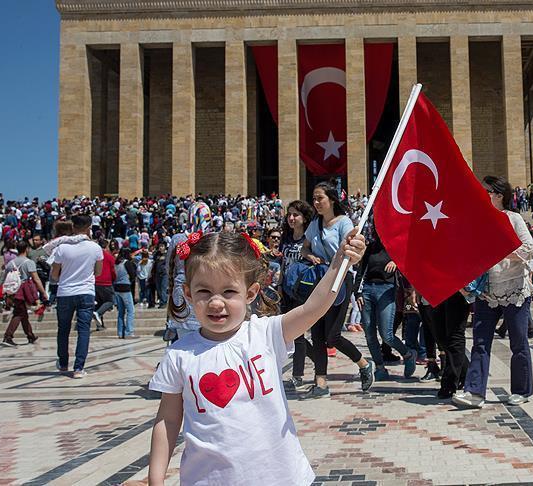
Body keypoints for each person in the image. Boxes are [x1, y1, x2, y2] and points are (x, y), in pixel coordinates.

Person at [146, 229, 366, 486]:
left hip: (279, 478)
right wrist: (155, 479)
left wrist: (340, 262)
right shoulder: (178, 355)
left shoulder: (266, 334)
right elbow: (168, 420)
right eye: (204, 291)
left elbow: (313, 308)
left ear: (250, 294)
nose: (216, 303)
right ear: (188, 293)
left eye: (229, 291)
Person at [453, 176, 533, 409]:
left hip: (513, 288)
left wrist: (499, 251)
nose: (481, 195)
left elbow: (529, 248)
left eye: (486, 191)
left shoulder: (513, 218)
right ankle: (474, 391)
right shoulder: (478, 221)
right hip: (487, 291)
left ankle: (521, 390)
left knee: (518, 342)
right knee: (480, 342)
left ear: (499, 195)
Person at [300, 182, 374, 399]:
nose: (316, 202)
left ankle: (363, 364)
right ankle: (320, 383)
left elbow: (353, 249)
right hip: (319, 279)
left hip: (341, 279)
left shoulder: (344, 222)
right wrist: (310, 256)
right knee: (317, 333)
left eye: (320, 198)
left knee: (332, 336)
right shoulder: (315, 224)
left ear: (331, 199)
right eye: (314, 198)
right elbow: (305, 247)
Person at [356, 224, 417, 381]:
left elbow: (409, 262)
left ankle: (408, 354)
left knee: (386, 334)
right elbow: (361, 270)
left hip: (387, 290)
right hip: (368, 290)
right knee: (370, 334)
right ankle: (380, 368)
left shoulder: (396, 247)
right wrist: (358, 292)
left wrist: (397, 262)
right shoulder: (371, 248)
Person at [51, 214, 104, 379]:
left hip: (65, 292)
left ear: (73, 227)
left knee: (63, 329)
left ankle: (63, 363)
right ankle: (79, 368)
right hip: (86, 292)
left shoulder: (62, 248)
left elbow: (54, 275)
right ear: (89, 228)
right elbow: (98, 272)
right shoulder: (95, 248)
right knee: (83, 330)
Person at [278, 200, 315, 389]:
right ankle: (318, 358)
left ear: (304, 218)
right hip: (285, 290)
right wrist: (279, 284)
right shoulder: (286, 238)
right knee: (289, 333)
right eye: (289, 214)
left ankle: (297, 375)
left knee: (298, 334)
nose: (291, 218)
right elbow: (283, 262)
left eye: (296, 215)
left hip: (301, 292)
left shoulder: (309, 240)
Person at [166, 202, 213, 341]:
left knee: (184, 339)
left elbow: (169, 266)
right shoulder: (212, 240)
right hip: (206, 290)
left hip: (181, 289)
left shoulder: (178, 239)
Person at [0, 241, 49, 346]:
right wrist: (43, 292)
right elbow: (36, 279)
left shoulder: (11, 263)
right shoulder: (29, 262)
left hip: (12, 291)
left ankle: (31, 336)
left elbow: (4, 277)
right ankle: (8, 336)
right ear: (27, 249)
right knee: (19, 314)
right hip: (23, 291)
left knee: (23, 313)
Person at [92, 239, 116, 331]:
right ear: (106, 246)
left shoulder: (94, 256)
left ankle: (99, 325)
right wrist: (113, 278)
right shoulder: (109, 256)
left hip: (95, 282)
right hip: (106, 282)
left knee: (99, 303)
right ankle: (98, 313)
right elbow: (113, 270)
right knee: (110, 301)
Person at [114, 248, 137, 338]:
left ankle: (120, 332)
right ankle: (129, 332)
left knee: (121, 312)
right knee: (131, 310)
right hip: (125, 288)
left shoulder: (116, 263)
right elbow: (133, 275)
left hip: (117, 288)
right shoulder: (127, 263)